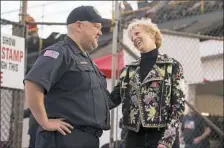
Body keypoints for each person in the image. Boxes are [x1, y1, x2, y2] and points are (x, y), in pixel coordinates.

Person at [24, 6, 111, 148]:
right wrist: (45, 122)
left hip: (88, 138)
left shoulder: (88, 61)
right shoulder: (60, 52)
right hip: (65, 137)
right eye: (96, 26)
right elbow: (33, 83)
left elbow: (103, 101)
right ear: (79, 25)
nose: (100, 32)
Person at [108, 18, 185, 148]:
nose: (134, 38)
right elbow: (112, 99)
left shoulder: (172, 66)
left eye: (137, 33)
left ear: (151, 33)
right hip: (133, 138)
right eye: (131, 37)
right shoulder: (128, 70)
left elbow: (178, 106)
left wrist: (167, 140)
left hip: (161, 137)